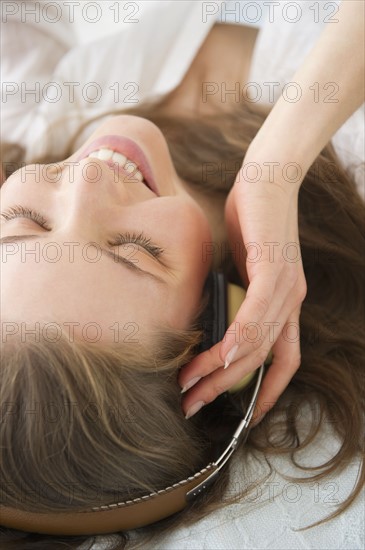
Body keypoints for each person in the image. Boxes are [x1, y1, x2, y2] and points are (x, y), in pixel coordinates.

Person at [0, 1, 364, 549]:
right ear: (226, 320)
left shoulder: (35, 112)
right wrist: (278, 166)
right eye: (132, 250)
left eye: (24, 223)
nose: (87, 183)